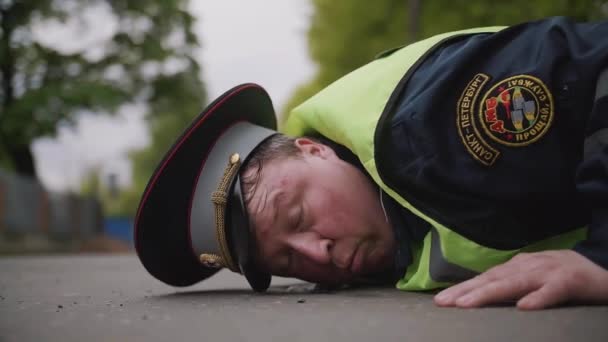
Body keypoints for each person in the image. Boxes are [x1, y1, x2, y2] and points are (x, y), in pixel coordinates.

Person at [134, 16, 608, 310]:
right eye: (287, 261)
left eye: (297, 216)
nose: (317, 255)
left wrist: (601, 259)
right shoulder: (389, 218)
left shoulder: (429, 128)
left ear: (313, 149)